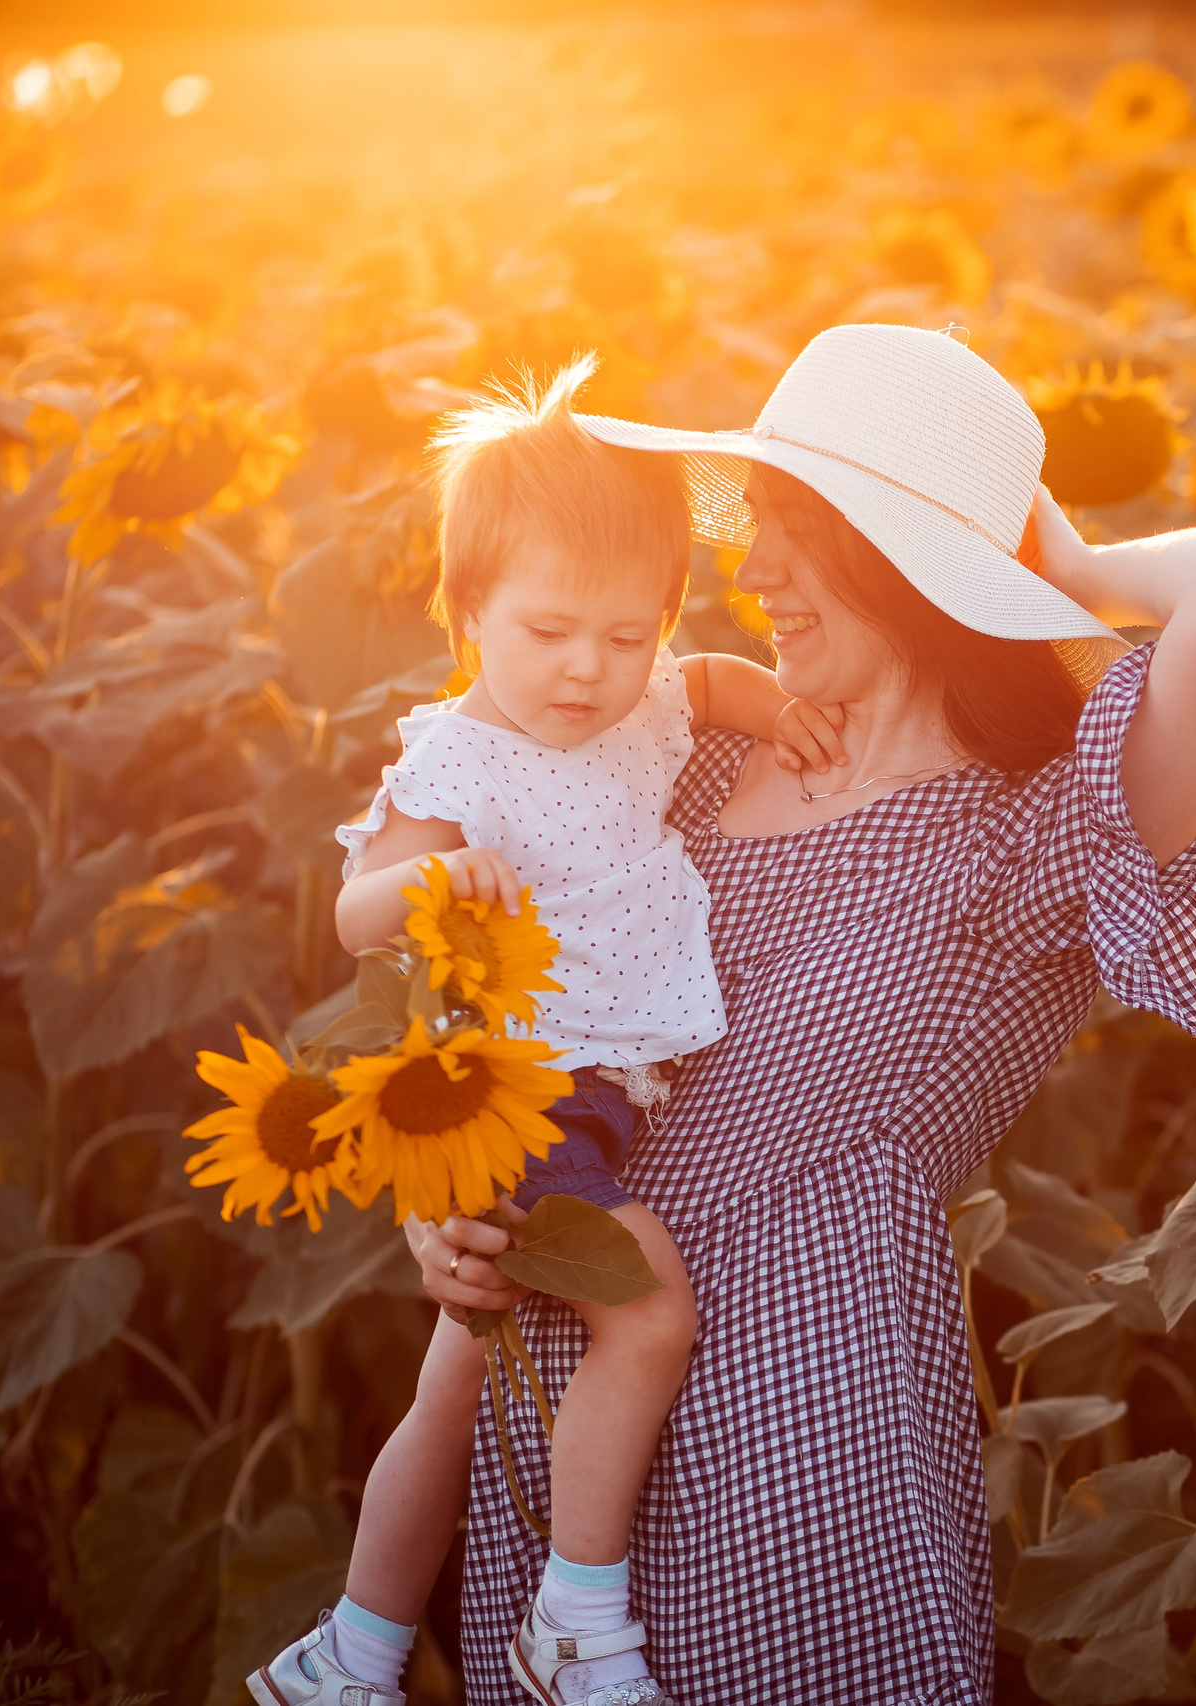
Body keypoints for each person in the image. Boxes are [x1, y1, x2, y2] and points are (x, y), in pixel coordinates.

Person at [415, 321, 1196, 1705]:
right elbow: (494, 1023)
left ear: (906, 553)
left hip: (807, 1444)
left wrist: (1075, 569)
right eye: (760, 523)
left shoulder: (1037, 830)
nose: (753, 568)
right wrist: (445, 1208)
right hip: (569, 1422)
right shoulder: (680, 760)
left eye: (797, 526)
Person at [249, 357, 838, 1706]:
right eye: (552, 630)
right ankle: (578, 1616)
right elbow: (351, 913)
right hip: (522, 1095)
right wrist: (436, 880)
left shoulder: (647, 699)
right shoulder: (455, 757)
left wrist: (787, 712)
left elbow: (714, 682)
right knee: (649, 1316)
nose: (590, 669)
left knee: (448, 1398)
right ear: (470, 611)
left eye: (625, 634)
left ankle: (352, 1651)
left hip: (601, 1085)